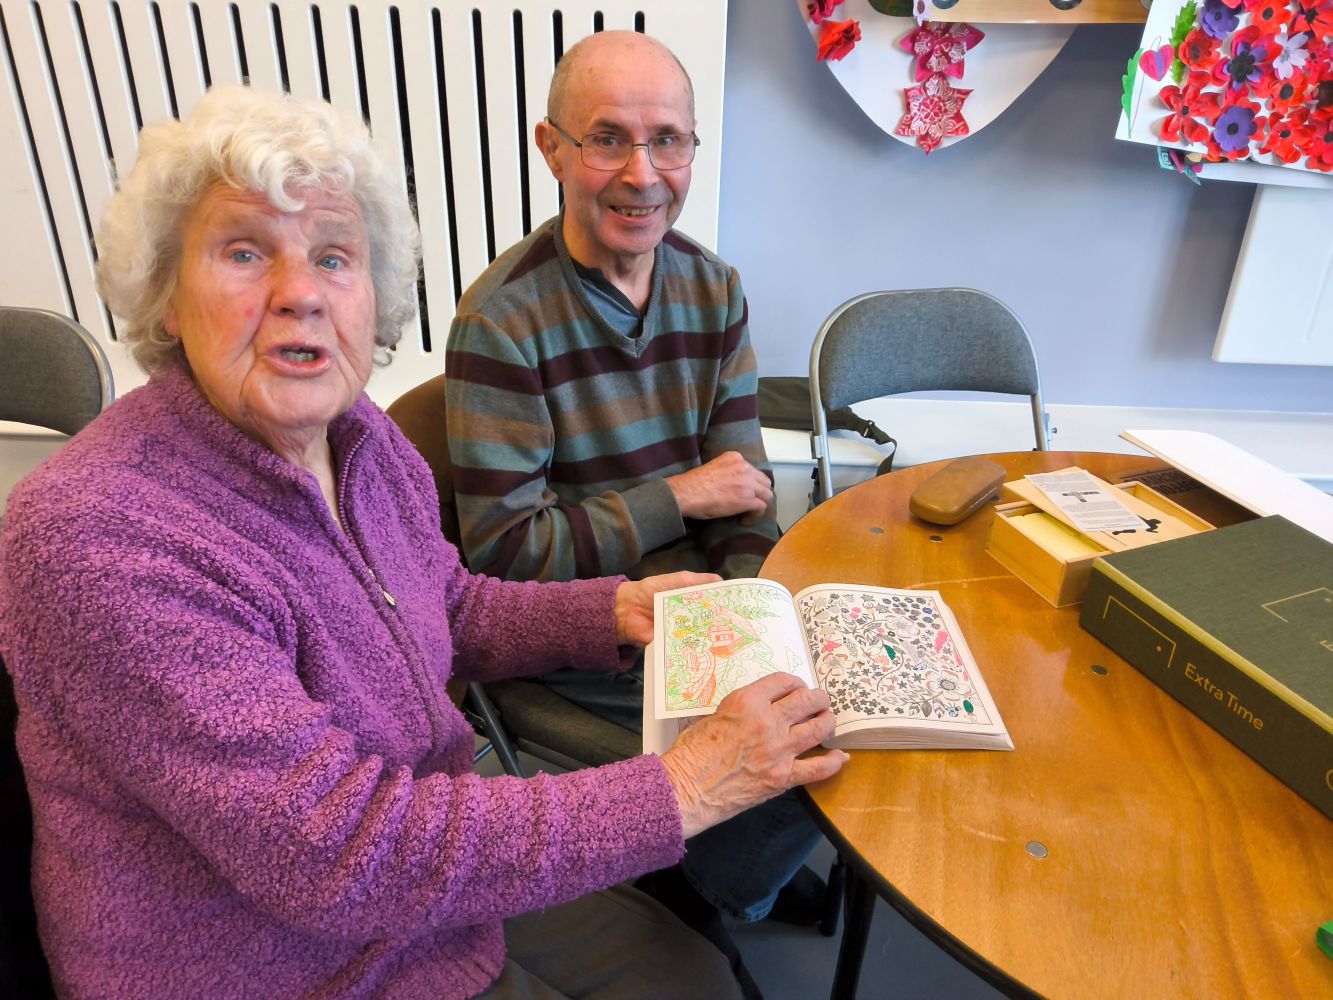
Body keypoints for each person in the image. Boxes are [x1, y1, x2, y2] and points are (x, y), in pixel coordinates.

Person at [0, 85, 845, 1000]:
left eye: (334, 257)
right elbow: (338, 853)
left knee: (702, 982)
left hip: (429, 894)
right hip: (285, 966)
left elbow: (442, 600)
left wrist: (614, 608)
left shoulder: (356, 437)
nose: (300, 295)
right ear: (167, 296)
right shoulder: (102, 534)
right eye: (244, 253)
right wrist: (684, 786)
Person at [443, 29, 822, 956]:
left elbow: (743, 492)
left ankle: (722, 869)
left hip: (701, 611)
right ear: (552, 150)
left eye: (668, 141)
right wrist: (677, 499)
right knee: (808, 759)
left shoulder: (714, 289)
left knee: (831, 702)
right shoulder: (500, 323)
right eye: (606, 138)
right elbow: (504, 556)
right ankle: (713, 884)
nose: (642, 173)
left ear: (693, 148)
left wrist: (750, 608)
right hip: (592, 632)